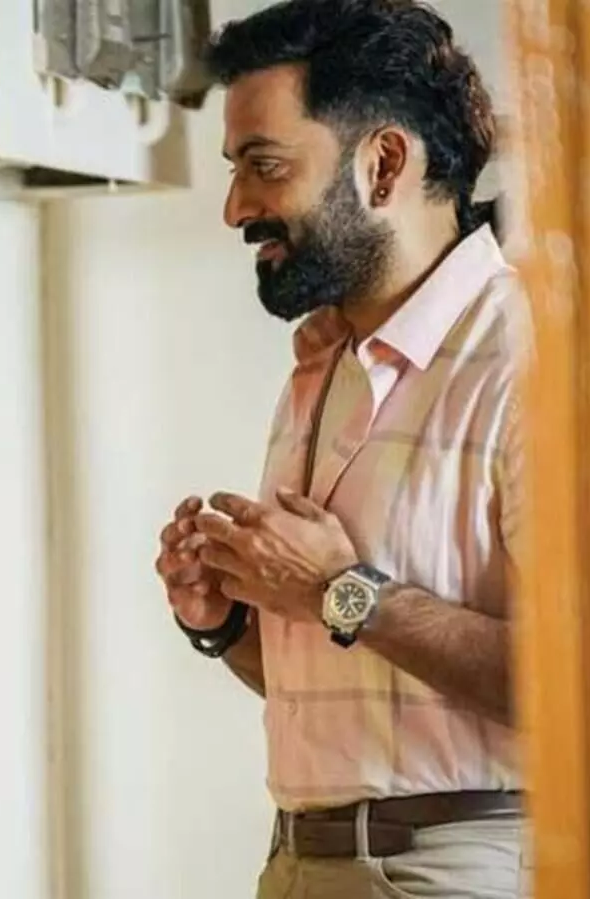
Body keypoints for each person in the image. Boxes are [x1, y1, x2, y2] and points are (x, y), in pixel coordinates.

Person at [154, 2, 525, 897]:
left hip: (456, 870)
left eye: (264, 166)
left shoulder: (537, 359)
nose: (236, 207)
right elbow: (359, 668)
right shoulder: (323, 365)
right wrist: (229, 623)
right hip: (298, 860)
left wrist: (340, 590)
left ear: (384, 163)